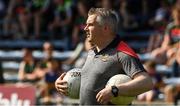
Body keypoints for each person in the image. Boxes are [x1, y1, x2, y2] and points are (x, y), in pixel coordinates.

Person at [55, 8, 153, 105]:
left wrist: (115, 90)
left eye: (90, 25)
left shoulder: (122, 53)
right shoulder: (92, 52)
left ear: (105, 28)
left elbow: (147, 82)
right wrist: (64, 84)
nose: (85, 28)